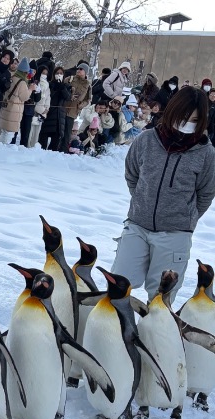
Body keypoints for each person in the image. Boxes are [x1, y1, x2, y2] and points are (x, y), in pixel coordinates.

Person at [111, 87, 215, 301]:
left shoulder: (206, 154)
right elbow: (132, 174)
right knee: (118, 288)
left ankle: (153, 335)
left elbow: (206, 193)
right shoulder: (147, 140)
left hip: (175, 234)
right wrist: (142, 201)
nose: (187, 123)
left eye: (194, 119)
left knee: (160, 299)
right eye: (184, 117)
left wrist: (186, 218)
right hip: (137, 227)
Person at [0, 57, 35, 144]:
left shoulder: (12, 77)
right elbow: (24, 97)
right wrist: (30, 89)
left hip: (6, 108)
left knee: (4, 134)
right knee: (8, 136)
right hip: (13, 112)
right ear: (25, 72)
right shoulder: (22, 82)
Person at [60, 62, 91, 152]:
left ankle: (64, 151)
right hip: (63, 108)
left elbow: (88, 99)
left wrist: (81, 105)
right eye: (78, 69)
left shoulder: (88, 85)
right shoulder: (70, 79)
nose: (78, 70)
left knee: (67, 132)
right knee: (59, 131)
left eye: (81, 69)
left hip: (73, 111)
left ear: (85, 72)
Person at [38, 66, 71, 151]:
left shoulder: (66, 86)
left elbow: (67, 97)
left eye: (61, 73)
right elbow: (48, 96)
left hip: (60, 116)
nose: (59, 75)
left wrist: (62, 87)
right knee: (43, 137)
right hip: (49, 113)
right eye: (57, 73)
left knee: (55, 141)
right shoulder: (49, 84)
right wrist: (55, 87)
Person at [28, 63, 50, 147]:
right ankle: (28, 146)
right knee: (31, 130)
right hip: (35, 109)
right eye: (43, 73)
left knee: (37, 131)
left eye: (46, 73)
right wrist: (40, 109)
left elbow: (48, 97)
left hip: (43, 111)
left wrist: (46, 108)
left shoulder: (47, 84)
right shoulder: (36, 82)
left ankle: (34, 146)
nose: (44, 75)